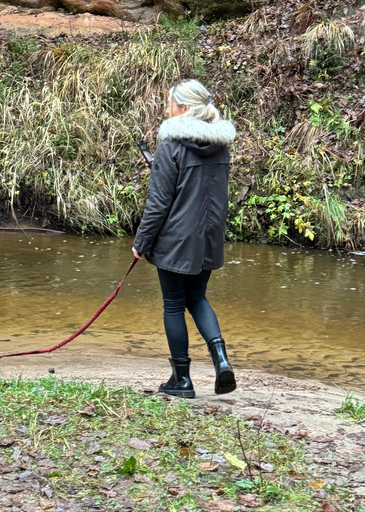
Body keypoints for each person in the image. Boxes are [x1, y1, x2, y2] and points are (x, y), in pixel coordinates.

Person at [132, 79, 236, 398]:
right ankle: (221, 360)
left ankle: (181, 380)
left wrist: (142, 242)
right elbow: (204, 190)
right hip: (208, 238)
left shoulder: (170, 145)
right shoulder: (220, 145)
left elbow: (160, 202)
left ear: (185, 109)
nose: (168, 110)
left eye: (172, 104)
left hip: (176, 239)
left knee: (174, 304)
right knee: (197, 298)